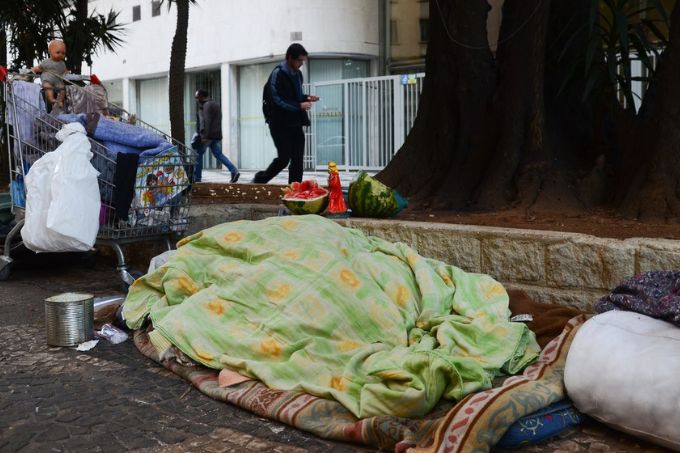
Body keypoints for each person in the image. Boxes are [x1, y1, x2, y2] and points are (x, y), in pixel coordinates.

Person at [253, 43, 319, 184]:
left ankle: (295, 191)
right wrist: (299, 105)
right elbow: (277, 99)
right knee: (284, 159)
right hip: (279, 124)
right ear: (290, 58)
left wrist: (306, 97)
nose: (301, 63)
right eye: (299, 60)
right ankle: (259, 180)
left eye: (303, 60)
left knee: (297, 160)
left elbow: (295, 96)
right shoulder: (278, 73)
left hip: (295, 123)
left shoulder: (298, 75)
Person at [193, 89, 239, 183]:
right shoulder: (215, 104)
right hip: (215, 135)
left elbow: (206, 121)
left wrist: (204, 136)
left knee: (198, 154)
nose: (196, 99)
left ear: (202, 96)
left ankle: (197, 178)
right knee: (218, 154)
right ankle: (234, 170)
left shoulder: (206, 105)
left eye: (197, 97)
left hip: (208, 136)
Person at [32, 39, 69, 110]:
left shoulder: (62, 63)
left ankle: (60, 100)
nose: (61, 55)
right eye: (58, 52)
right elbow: (39, 68)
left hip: (58, 81)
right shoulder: (46, 62)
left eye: (63, 53)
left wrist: (67, 72)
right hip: (48, 80)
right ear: (50, 52)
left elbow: (64, 71)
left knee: (62, 89)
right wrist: (33, 70)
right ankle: (51, 99)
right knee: (47, 87)